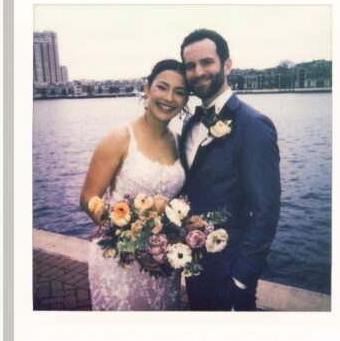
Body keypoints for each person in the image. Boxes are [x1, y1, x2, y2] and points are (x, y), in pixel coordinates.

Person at [178, 29, 281, 311]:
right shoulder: (189, 125)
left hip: (230, 272)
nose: (198, 72)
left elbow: (266, 212)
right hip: (194, 264)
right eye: (190, 66)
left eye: (206, 62)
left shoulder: (254, 125)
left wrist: (241, 280)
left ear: (226, 65)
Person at [79, 59, 189, 311]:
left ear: (185, 101)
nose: (169, 97)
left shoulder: (180, 143)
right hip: (121, 259)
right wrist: (132, 240)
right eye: (162, 87)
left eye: (179, 92)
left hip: (163, 262)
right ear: (146, 88)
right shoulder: (119, 137)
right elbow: (87, 198)